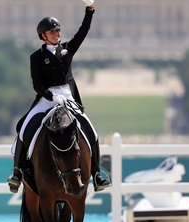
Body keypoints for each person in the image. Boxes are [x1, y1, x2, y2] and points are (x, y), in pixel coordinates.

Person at [7, 0, 111, 194]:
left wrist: (90, 10)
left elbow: (83, 31)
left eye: (58, 31)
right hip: (47, 98)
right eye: (53, 32)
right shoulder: (36, 57)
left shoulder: (67, 49)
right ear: (43, 36)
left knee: (92, 132)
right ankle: (17, 172)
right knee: (23, 129)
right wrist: (50, 95)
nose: (57, 34)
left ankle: (97, 174)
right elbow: (37, 84)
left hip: (68, 96)